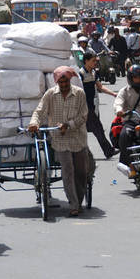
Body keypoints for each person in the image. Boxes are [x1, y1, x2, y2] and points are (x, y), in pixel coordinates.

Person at [28, 66, 89, 217]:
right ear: (56, 82)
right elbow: (39, 111)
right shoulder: (50, 95)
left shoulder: (79, 93)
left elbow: (83, 116)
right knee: (67, 170)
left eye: (66, 81)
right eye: (60, 82)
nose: (63, 85)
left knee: (81, 173)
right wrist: (34, 123)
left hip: (78, 138)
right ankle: (74, 204)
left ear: (70, 80)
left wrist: (68, 125)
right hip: (59, 139)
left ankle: (79, 201)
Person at [80, 49, 118, 159]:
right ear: (86, 61)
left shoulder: (93, 72)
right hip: (84, 106)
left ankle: (105, 151)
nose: (95, 63)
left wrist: (113, 94)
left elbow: (100, 87)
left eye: (96, 61)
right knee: (98, 128)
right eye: (93, 61)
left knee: (91, 129)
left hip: (91, 105)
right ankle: (108, 151)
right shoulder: (81, 74)